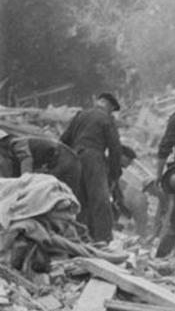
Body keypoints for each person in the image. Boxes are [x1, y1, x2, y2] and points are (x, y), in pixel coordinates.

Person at [59, 91, 122, 243]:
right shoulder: (106, 118)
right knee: (100, 199)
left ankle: (79, 238)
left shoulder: (80, 115)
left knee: (79, 199)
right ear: (110, 106)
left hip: (73, 158)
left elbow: (63, 140)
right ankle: (104, 240)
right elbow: (115, 148)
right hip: (93, 158)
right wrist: (114, 173)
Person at [0, 132, 81, 198]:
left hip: (64, 161)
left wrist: (24, 184)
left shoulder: (17, 143)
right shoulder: (15, 148)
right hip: (66, 161)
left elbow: (26, 163)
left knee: (59, 198)